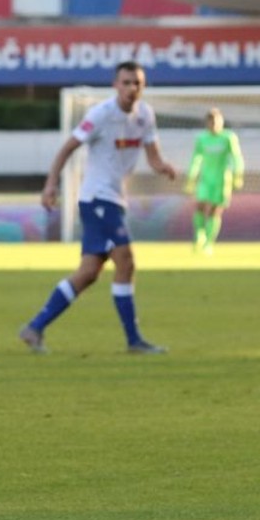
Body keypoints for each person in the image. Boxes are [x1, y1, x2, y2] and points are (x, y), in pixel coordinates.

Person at [18, 60, 177, 356]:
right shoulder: (101, 115)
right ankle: (134, 341)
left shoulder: (145, 116)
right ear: (115, 85)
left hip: (115, 199)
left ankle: (34, 327)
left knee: (89, 272)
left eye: (137, 83)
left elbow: (153, 156)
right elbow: (67, 148)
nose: (132, 88)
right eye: (126, 82)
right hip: (97, 199)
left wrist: (163, 167)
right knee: (126, 262)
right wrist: (51, 185)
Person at [186, 107, 244, 254]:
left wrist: (238, 175)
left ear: (221, 122)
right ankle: (199, 234)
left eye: (217, 122)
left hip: (222, 180)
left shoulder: (228, 137)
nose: (214, 125)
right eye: (211, 122)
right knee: (199, 206)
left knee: (214, 211)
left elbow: (236, 157)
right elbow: (196, 159)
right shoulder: (202, 138)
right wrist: (191, 177)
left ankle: (208, 243)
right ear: (207, 123)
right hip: (205, 179)